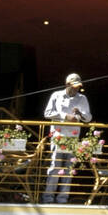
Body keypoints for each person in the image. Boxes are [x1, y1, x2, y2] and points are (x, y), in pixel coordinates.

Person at [43, 73, 91, 204]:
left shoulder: (82, 98)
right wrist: (65, 116)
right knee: (55, 167)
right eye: (74, 86)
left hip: (73, 137)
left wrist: (80, 114)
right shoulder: (56, 95)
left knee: (69, 169)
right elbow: (47, 113)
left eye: (78, 86)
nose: (76, 89)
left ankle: (62, 199)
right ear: (67, 84)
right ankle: (48, 198)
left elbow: (88, 118)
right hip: (58, 136)